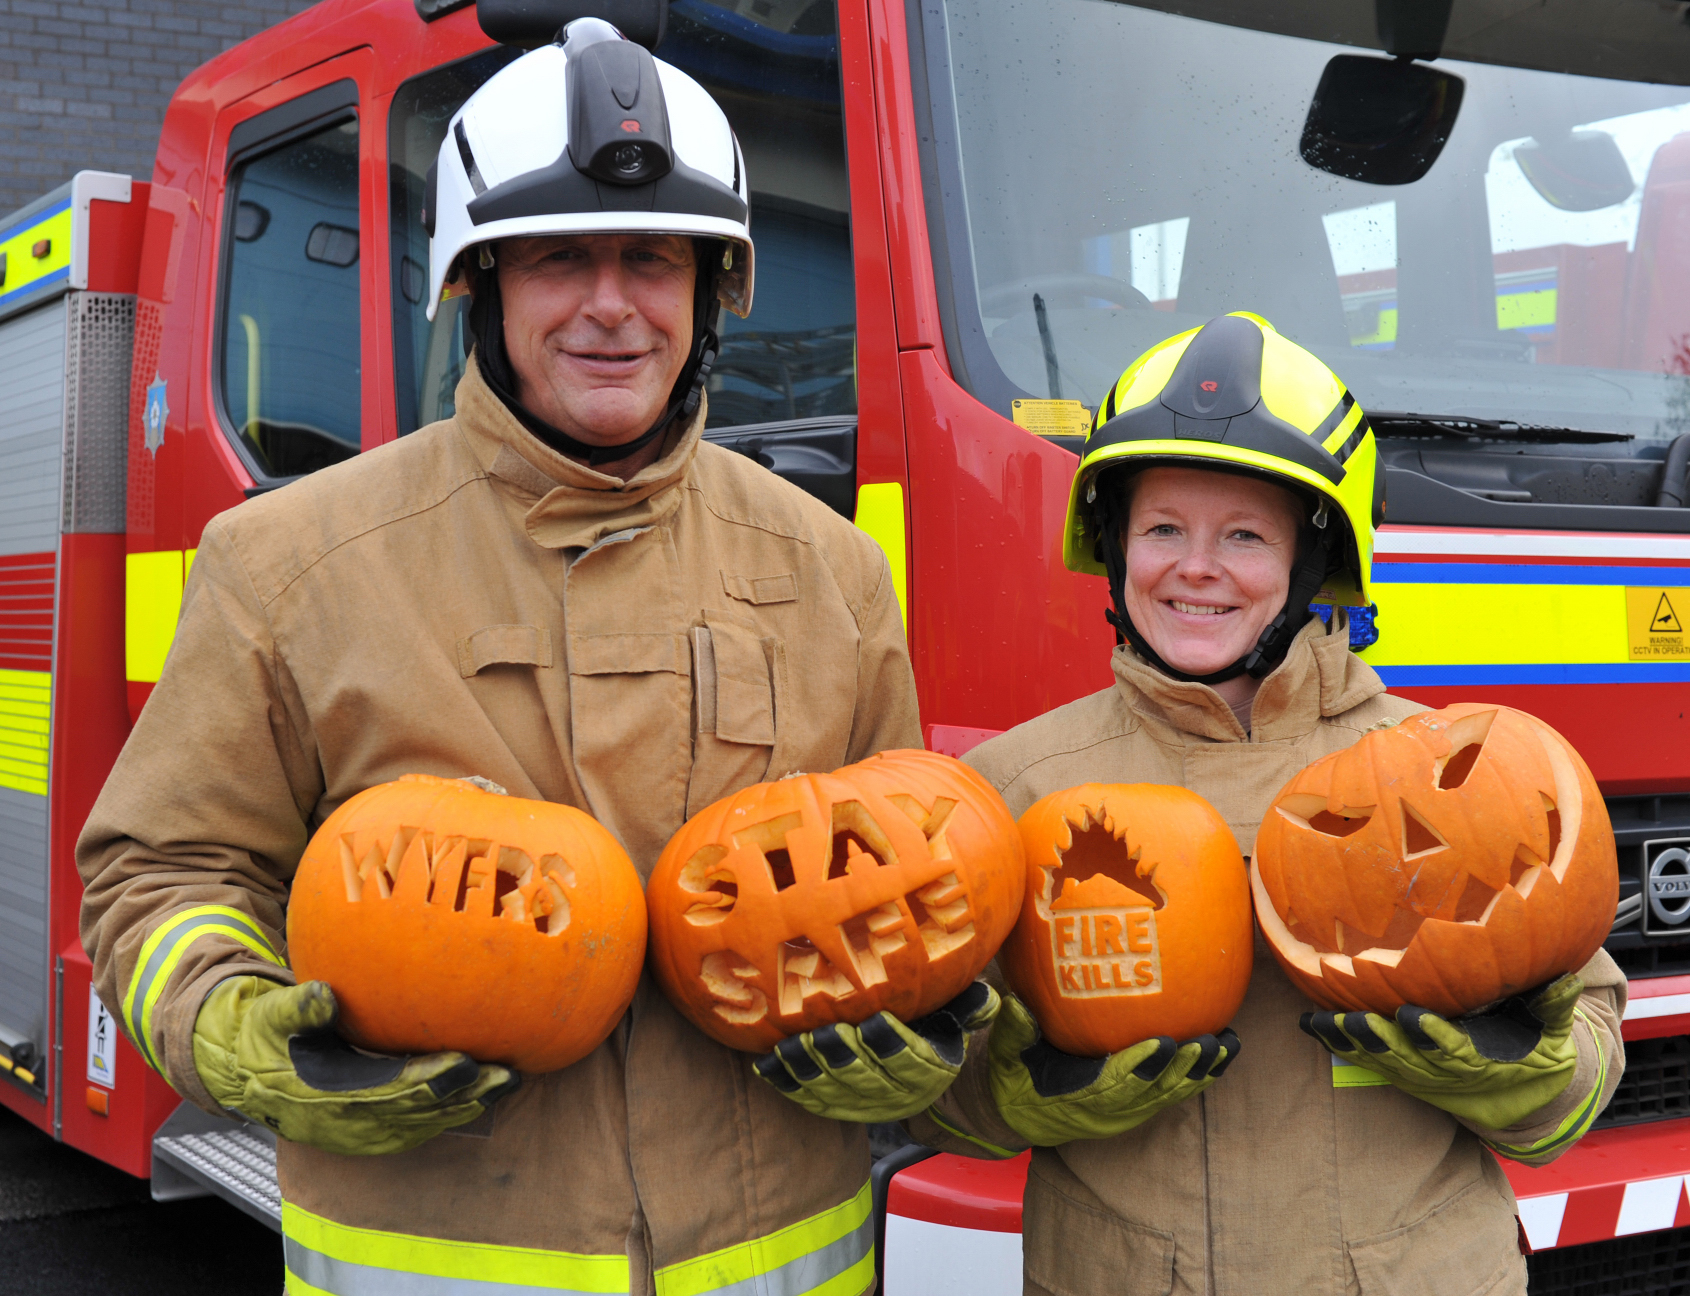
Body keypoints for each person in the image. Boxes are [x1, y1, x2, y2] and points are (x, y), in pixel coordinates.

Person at [77, 21, 943, 1295]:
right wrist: (231, 1021)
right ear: (476, 284)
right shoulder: (288, 561)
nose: (609, 305)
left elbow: (906, 877)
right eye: (557, 258)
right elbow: (160, 871)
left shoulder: (835, 571)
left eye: (652, 258)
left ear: (711, 291)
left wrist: (932, 1028)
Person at [906, 312, 1625, 1296]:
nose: (1195, 567)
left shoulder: (1450, 773)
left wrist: (1509, 1067)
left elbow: (1583, 1062)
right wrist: (1025, 1095)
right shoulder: (1016, 787)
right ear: (1114, 549)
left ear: (1310, 560)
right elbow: (939, 1102)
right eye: (1163, 529)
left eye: (1243, 534)